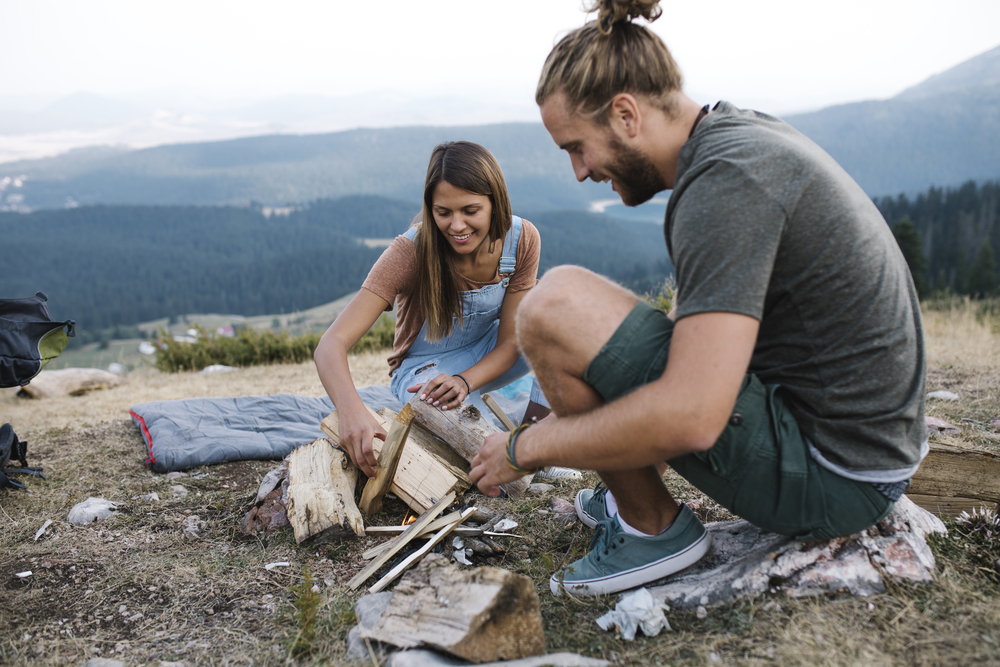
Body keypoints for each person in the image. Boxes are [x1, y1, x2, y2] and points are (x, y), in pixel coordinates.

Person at [468, 0, 927, 597]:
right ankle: (628, 496)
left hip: (837, 478)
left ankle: (652, 530)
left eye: (576, 147)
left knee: (550, 309)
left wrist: (524, 447)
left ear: (626, 114)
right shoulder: (734, 137)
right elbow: (695, 331)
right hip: (857, 449)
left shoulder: (725, 184)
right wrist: (594, 426)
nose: (580, 172)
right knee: (574, 307)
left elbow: (692, 414)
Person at [315, 141, 540, 479]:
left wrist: (465, 381)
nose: (457, 226)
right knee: (477, 451)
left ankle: (543, 443)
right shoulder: (409, 252)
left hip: (490, 352)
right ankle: (512, 446)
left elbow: (511, 343)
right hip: (425, 370)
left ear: (496, 202)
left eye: (470, 210)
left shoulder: (521, 239)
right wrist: (351, 410)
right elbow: (330, 344)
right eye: (443, 212)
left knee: (562, 323)